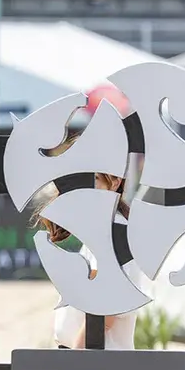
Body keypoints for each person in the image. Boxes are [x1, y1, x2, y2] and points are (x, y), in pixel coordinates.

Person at [30, 132, 152, 350]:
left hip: (94, 367)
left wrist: (73, 358)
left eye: (91, 179)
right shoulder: (104, 229)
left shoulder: (113, 233)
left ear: (114, 182)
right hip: (91, 365)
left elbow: (103, 314)